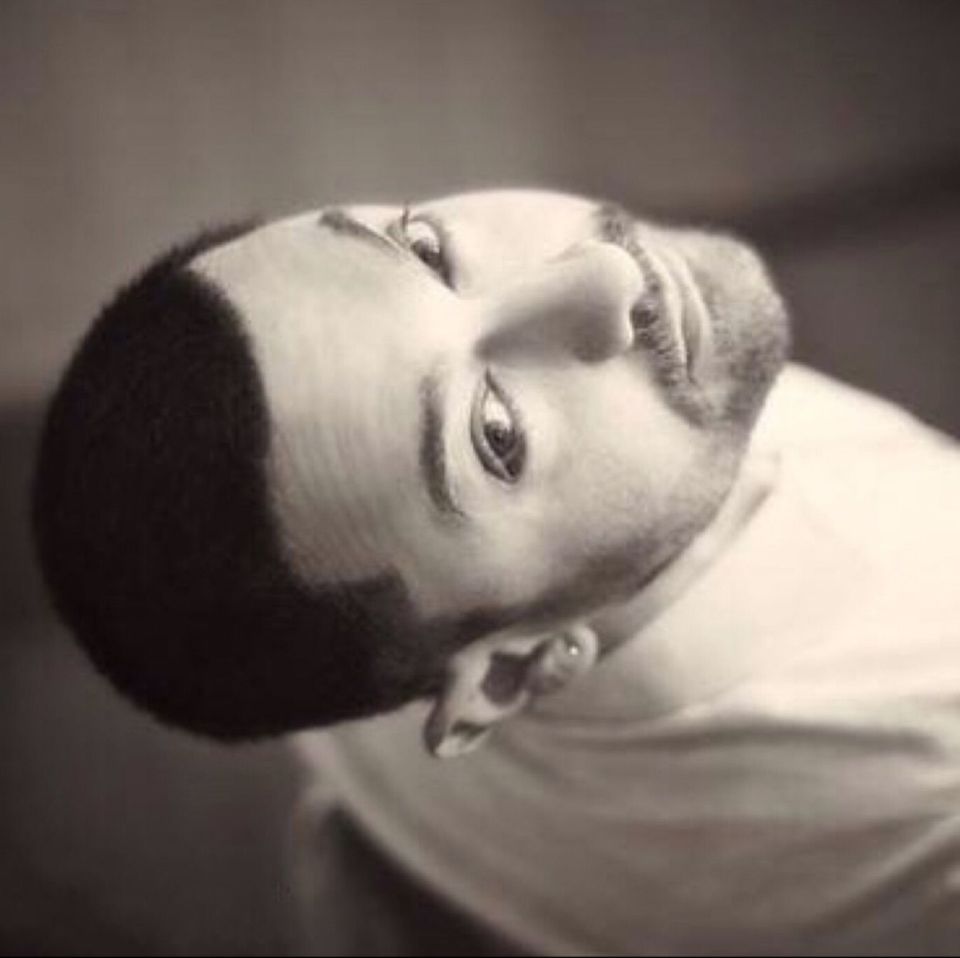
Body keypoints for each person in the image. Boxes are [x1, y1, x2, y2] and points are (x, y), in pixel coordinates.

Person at [32, 190, 960, 955]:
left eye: (424, 249)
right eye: (496, 435)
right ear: (509, 672)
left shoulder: (344, 627)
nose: (607, 273)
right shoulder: (921, 793)